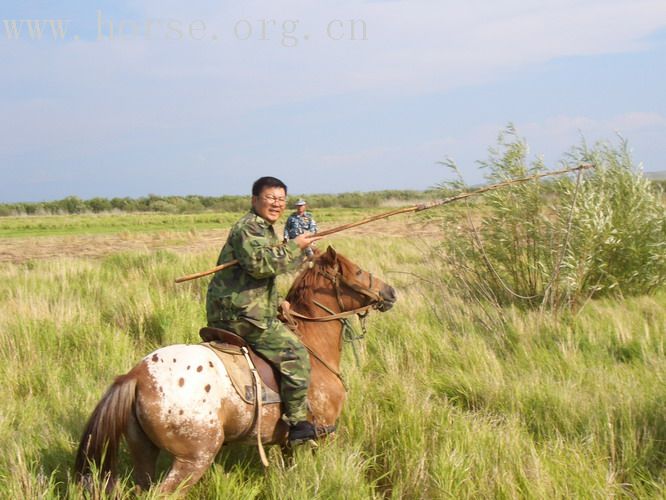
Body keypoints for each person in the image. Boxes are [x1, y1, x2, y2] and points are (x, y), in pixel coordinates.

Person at [206, 176, 321, 445]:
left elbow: (258, 275)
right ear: (255, 200)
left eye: (281, 199)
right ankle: (296, 424)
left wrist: (277, 301)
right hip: (242, 315)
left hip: (241, 308)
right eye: (270, 198)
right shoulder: (248, 228)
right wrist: (296, 246)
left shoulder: (264, 229)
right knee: (295, 354)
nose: (277, 204)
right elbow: (261, 266)